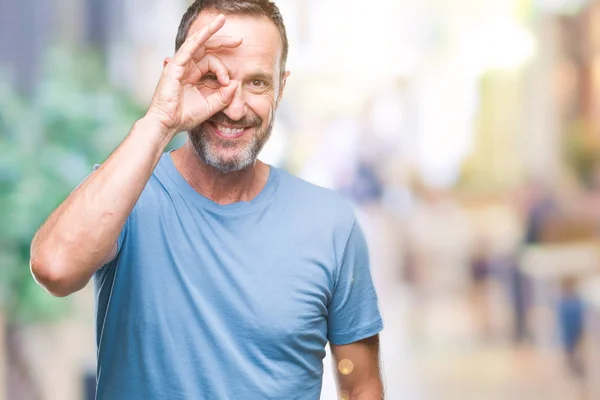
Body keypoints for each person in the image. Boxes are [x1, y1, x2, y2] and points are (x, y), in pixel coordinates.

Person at [29, 1, 384, 399]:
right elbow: (54, 268)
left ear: (280, 89)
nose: (233, 107)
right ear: (177, 78)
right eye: (213, 78)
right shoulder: (127, 196)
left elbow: (361, 387)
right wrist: (160, 119)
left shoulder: (330, 224)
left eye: (256, 83)